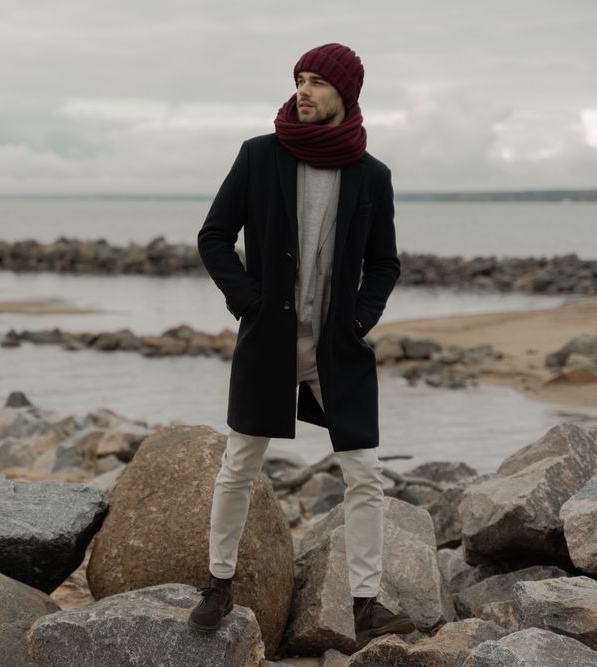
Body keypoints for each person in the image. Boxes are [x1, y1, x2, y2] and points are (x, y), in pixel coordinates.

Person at [189, 43, 411, 647]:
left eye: (316, 82)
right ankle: (218, 584)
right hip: (269, 340)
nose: (303, 91)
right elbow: (214, 236)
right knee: (239, 463)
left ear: (345, 93)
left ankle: (366, 605)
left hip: (335, 347)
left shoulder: (372, 175)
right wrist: (249, 302)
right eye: (299, 80)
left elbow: (384, 263)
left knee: (364, 472)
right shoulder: (259, 156)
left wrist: (358, 320)